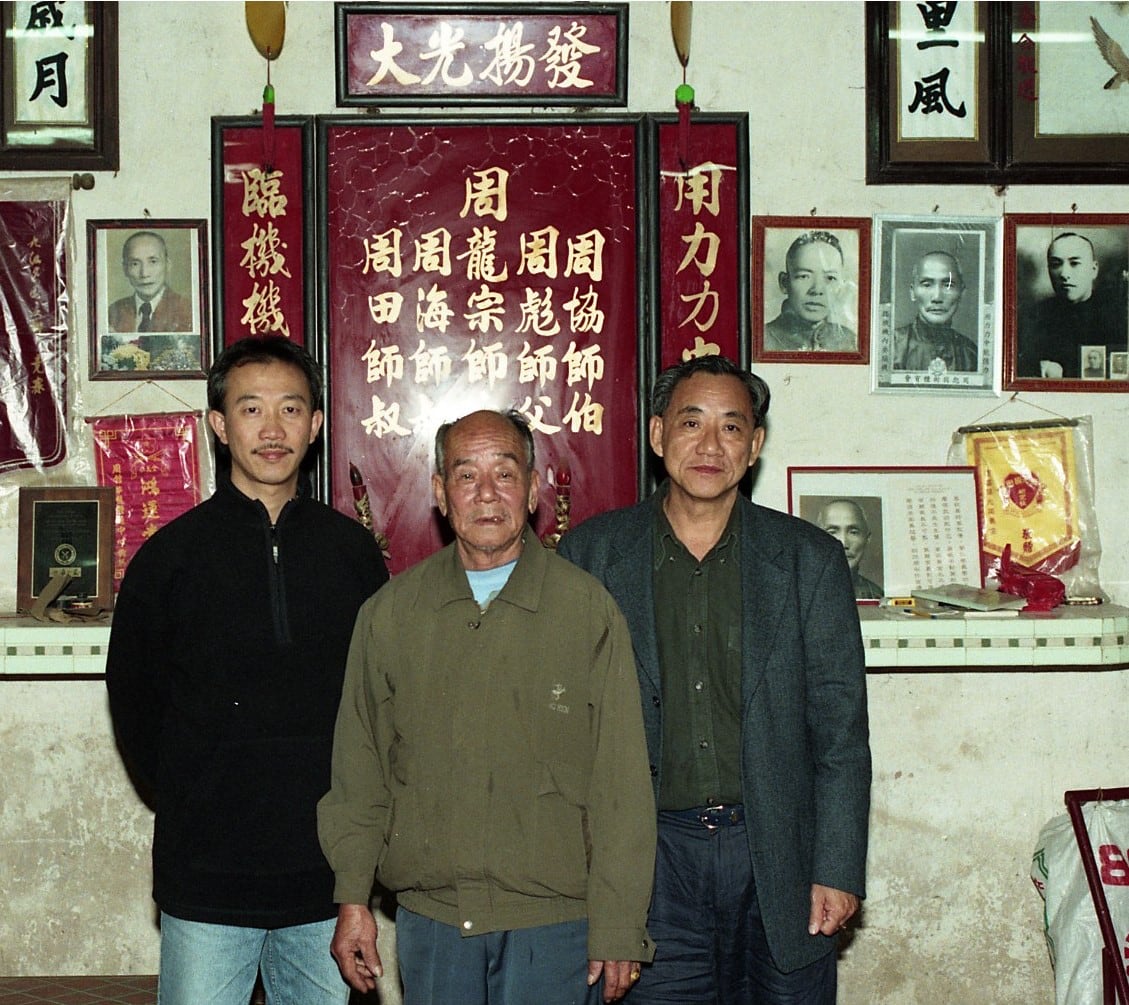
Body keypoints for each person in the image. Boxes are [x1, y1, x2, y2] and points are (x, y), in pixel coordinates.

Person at [558, 355, 871, 1004]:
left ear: (754, 446)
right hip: (651, 860)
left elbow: (840, 734)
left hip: (778, 853)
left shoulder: (807, 561)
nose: (709, 445)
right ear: (656, 435)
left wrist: (837, 867)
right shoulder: (591, 555)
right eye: (690, 422)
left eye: (731, 427)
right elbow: (565, 733)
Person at [317, 409, 656, 1005]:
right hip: (434, 921)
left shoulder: (585, 611)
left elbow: (621, 786)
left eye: (505, 473)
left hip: (554, 925)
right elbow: (360, 772)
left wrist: (620, 925)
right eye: (466, 475)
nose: (487, 493)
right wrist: (352, 900)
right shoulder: (392, 615)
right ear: (439, 493)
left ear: (532, 490)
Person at [106, 335, 389, 1005]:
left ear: (315, 425)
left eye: (290, 409)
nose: (271, 429)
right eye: (250, 408)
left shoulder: (352, 555)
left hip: (324, 879)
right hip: (206, 876)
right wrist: (198, 783)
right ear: (218, 425)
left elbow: (380, 705)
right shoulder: (168, 559)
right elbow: (135, 705)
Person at [1017, 232, 1128, 378]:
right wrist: (1038, 368)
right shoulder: (1032, 317)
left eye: (1074, 263)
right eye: (1056, 264)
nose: (1064, 273)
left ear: (1094, 270)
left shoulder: (1118, 318)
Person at [763, 231, 857, 351]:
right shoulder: (762, 340)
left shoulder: (849, 341)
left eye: (830, 278)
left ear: (840, 286)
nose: (817, 290)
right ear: (784, 283)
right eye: (804, 276)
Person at [892, 250, 979, 372]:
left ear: (962, 293)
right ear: (912, 292)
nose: (937, 297)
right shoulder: (893, 347)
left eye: (948, 285)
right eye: (927, 285)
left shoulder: (970, 354)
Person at [108, 230, 194, 333]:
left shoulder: (188, 311)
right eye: (135, 264)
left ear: (167, 265)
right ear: (125, 269)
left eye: (153, 262)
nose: (144, 273)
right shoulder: (113, 313)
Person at [816, 499, 883, 600]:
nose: (843, 543)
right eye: (832, 532)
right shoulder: (799, 592)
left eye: (853, 532)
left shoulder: (876, 594)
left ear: (867, 538)